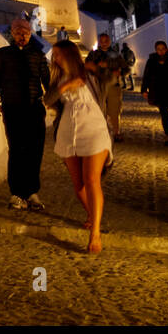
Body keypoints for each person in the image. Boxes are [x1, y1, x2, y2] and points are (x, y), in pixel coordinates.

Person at [44, 40, 113, 253]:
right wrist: (66, 86)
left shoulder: (89, 74)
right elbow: (48, 100)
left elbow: (112, 77)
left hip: (93, 128)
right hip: (68, 131)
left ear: (69, 55)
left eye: (58, 54)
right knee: (79, 186)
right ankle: (92, 215)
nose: (55, 58)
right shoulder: (57, 78)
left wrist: (100, 69)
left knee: (92, 180)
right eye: (54, 55)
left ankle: (96, 234)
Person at [0, 18, 50, 211]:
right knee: (16, 150)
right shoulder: (3, 54)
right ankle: (16, 193)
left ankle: (32, 192)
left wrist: (55, 100)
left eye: (25, 31)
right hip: (12, 107)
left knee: (35, 150)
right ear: (12, 34)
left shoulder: (38, 55)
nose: (22, 35)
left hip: (34, 108)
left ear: (30, 33)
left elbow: (47, 79)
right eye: (18, 31)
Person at [90, 33, 126, 142]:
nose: (104, 43)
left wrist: (119, 72)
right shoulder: (93, 55)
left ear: (109, 41)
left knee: (114, 111)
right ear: (99, 42)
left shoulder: (116, 55)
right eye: (102, 41)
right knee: (99, 110)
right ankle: (101, 132)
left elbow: (126, 69)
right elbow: (87, 67)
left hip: (113, 86)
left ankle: (116, 132)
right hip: (98, 85)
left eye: (106, 40)